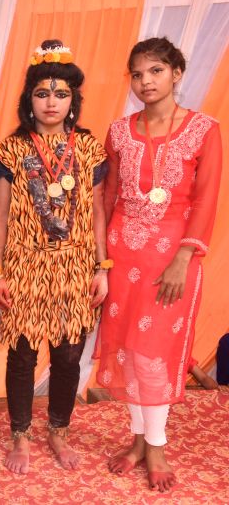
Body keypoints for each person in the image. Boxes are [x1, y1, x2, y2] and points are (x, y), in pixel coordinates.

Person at [97, 37, 222, 492]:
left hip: (173, 257)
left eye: (155, 71)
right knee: (130, 351)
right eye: (137, 74)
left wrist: (184, 257)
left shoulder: (204, 129)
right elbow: (108, 197)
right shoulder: (119, 132)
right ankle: (137, 441)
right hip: (123, 254)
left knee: (154, 355)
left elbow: (206, 197)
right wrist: (101, 262)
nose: (145, 81)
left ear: (176, 73)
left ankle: (157, 446)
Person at [0, 39, 108, 475]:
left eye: (60, 93)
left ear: (73, 100)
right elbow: (0, 215)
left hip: (75, 266)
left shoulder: (90, 148)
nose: (51, 102)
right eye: (42, 93)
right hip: (25, 265)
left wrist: (102, 268)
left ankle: (59, 430)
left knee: (69, 356)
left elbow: (98, 212)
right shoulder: (11, 150)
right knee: (21, 355)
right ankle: (20, 435)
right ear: (29, 99)